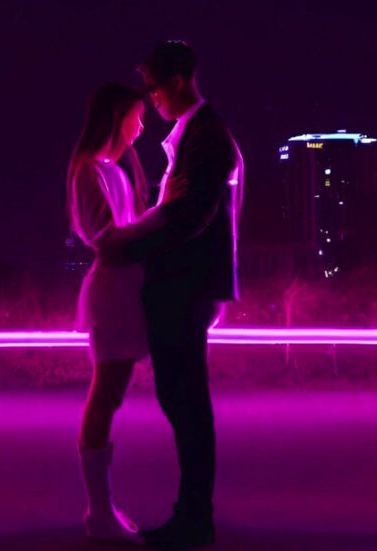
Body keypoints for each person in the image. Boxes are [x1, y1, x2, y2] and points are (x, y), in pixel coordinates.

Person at [101, 40, 244, 550]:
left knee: (186, 402)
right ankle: (192, 514)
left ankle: (194, 518)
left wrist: (127, 249)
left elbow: (189, 218)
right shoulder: (198, 133)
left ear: (178, 82)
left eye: (155, 88)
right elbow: (184, 214)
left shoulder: (206, 136)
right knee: (182, 400)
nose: (152, 97)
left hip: (184, 288)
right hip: (184, 286)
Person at [67, 81, 160, 544]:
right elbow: (105, 238)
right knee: (106, 394)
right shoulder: (90, 171)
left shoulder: (111, 171)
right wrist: (159, 222)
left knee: (111, 393)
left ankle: (102, 507)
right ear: (116, 117)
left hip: (125, 292)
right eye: (136, 116)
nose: (141, 126)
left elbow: (121, 232)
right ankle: (99, 510)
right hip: (113, 294)